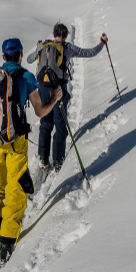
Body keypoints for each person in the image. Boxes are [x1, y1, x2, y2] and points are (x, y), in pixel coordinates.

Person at [0, 38, 62, 262]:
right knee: (16, 188)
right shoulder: (26, 77)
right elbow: (40, 112)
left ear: (3, 57)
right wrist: (55, 99)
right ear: (21, 55)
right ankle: (7, 240)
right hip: (15, 142)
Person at [28, 23, 108, 173]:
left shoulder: (43, 45)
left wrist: (38, 47)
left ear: (53, 34)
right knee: (60, 124)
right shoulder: (67, 48)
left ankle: (43, 158)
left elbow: (29, 59)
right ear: (65, 35)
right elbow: (89, 53)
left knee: (45, 122)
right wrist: (102, 43)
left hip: (43, 89)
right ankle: (58, 160)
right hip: (59, 90)